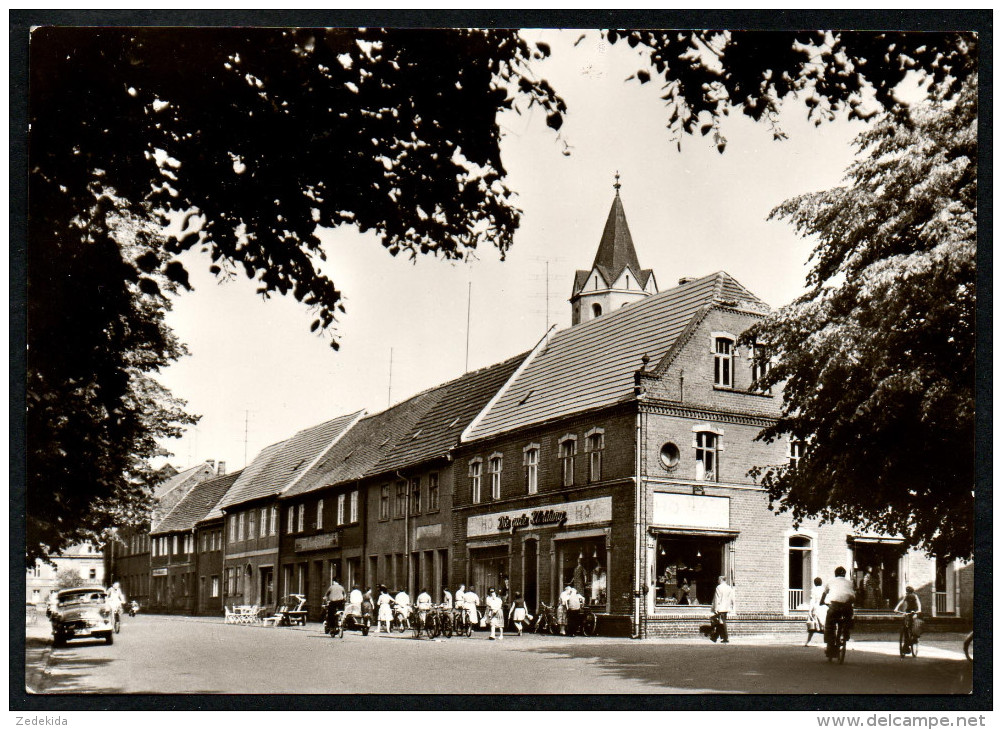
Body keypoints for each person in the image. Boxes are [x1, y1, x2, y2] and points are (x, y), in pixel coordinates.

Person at [821, 566, 856, 658]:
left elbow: (824, 593)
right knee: (849, 617)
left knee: (829, 624)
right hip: (847, 605)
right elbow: (853, 595)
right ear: (844, 574)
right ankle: (846, 632)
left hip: (835, 605)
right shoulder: (849, 582)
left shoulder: (830, 581)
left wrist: (822, 602)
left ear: (835, 574)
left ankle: (830, 645)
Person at [893, 585, 922, 652]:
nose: (908, 593)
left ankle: (914, 637)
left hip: (914, 610)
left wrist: (919, 610)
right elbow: (901, 601)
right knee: (905, 625)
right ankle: (906, 643)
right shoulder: (907, 596)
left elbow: (918, 603)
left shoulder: (915, 596)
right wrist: (896, 608)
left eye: (909, 592)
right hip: (908, 610)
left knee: (913, 622)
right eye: (907, 592)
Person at [710, 575, 735, 644]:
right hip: (726, 608)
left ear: (721, 580)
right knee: (720, 622)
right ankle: (715, 637)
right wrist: (731, 607)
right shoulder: (729, 588)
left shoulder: (719, 587)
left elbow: (717, 598)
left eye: (718, 580)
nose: (718, 581)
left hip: (720, 608)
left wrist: (715, 608)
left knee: (721, 622)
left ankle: (725, 637)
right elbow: (732, 598)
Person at [805, 576, 828, 647]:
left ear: (815, 583)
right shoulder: (824, 589)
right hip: (824, 608)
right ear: (821, 583)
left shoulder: (814, 590)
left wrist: (809, 611)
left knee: (813, 626)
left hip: (817, 608)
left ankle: (808, 642)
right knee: (825, 625)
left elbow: (812, 601)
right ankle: (827, 642)